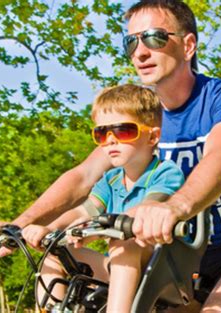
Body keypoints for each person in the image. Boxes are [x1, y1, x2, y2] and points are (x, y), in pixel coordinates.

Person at [0, 1, 221, 311]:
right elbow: (84, 176)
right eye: (131, 42)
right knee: (57, 259)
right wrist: (18, 224)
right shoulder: (140, 116)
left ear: (189, 45)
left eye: (154, 38)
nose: (140, 52)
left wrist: (174, 207)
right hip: (171, 254)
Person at [23, 84, 184, 311]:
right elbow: (83, 211)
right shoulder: (110, 180)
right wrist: (50, 228)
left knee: (125, 244)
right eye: (101, 133)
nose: (110, 140)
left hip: (159, 269)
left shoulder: (165, 173)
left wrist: (97, 229)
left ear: (152, 137)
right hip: (118, 266)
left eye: (123, 131)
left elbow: (147, 207)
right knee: (54, 253)